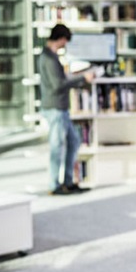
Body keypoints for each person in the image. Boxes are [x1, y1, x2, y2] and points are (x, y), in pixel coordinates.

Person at [38, 24, 95, 195]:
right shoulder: (48, 57)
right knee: (57, 147)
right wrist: (81, 79)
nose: (65, 45)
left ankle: (68, 181)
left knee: (74, 142)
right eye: (65, 41)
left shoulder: (52, 56)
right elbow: (58, 85)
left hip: (61, 108)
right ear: (61, 39)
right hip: (55, 108)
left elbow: (59, 80)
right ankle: (54, 186)